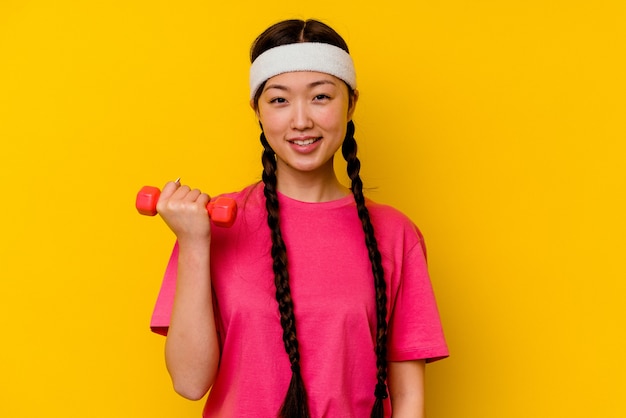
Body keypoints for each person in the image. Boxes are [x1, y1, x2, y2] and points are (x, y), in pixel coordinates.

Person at [149, 18, 448, 418]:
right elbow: (189, 383)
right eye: (279, 100)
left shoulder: (396, 234)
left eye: (321, 97)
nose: (301, 120)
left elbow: (409, 399)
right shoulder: (210, 224)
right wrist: (193, 243)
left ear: (351, 103)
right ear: (257, 110)